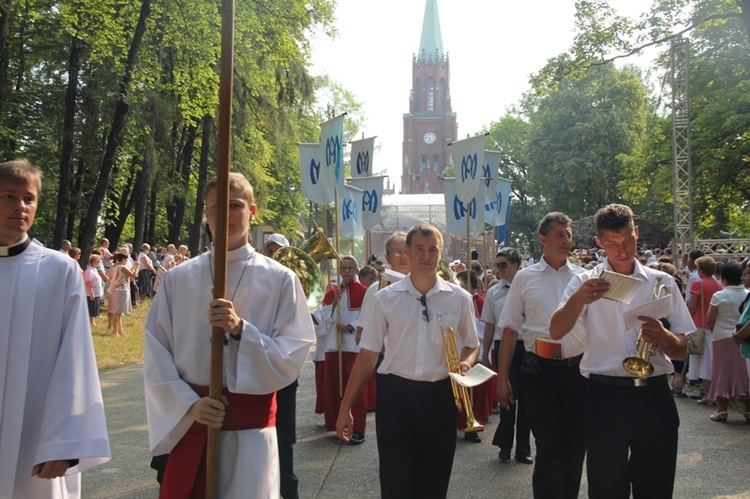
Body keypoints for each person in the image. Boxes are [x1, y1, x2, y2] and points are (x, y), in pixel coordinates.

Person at [144, 172, 314, 498]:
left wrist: (241, 330)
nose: (224, 216)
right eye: (214, 208)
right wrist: (190, 405)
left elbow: (292, 354)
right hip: (193, 422)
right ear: (206, 214)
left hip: (251, 434)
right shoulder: (178, 280)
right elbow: (156, 351)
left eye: (234, 206)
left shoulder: (281, 280)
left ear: (252, 211)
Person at [550, 204, 692, 498]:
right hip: (605, 395)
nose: (623, 251)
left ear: (636, 233)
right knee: (606, 487)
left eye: (628, 241)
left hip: (653, 395)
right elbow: (555, 331)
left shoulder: (662, 281)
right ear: (600, 244)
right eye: (613, 244)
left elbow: (681, 351)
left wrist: (664, 336)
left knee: (656, 486)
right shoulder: (582, 282)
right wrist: (578, 300)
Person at [336, 223, 479, 499]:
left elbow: (472, 345)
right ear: (408, 254)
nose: (426, 255)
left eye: (432, 249)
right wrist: (346, 406)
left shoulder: (460, 299)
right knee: (395, 482)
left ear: (441, 254)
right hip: (396, 398)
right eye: (419, 249)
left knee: (434, 483)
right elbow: (367, 355)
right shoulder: (384, 299)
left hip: (440, 397)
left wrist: (466, 363)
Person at [0, 159, 110, 498]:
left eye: (28, 198)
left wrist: (65, 442)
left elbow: (75, 358)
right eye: (9, 196)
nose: (20, 206)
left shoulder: (58, 270)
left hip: (35, 434)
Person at [495, 212, 586, 499]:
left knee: (574, 447)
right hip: (538, 373)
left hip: (578, 372)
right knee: (548, 447)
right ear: (542, 239)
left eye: (568, 234)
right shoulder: (524, 278)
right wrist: (502, 378)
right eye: (558, 234)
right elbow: (509, 330)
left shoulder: (585, 278)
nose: (565, 240)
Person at [481, 247, 531, 464]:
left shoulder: (528, 287)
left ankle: (523, 447)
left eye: (503, 265)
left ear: (516, 265)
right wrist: (485, 354)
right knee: (506, 396)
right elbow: (490, 326)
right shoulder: (494, 292)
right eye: (497, 265)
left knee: (527, 399)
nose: (499, 269)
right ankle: (505, 444)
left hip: (526, 346)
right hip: (503, 346)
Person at [263, 232, 301, 499]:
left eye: (279, 252)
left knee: (283, 440)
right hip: (255, 372)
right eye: (270, 251)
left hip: (284, 374)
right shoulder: (255, 278)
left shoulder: (293, 281)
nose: (274, 256)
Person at [320, 255, 369, 443]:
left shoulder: (365, 292)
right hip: (335, 345)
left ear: (357, 270)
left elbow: (368, 317)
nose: (346, 271)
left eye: (350, 268)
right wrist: (334, 302)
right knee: (334, 385)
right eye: (343, 268)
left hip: (354, 346)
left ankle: (357, 429)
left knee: (355, 388)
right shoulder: (333, 291)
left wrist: (349, 327)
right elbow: (325, 318)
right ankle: (337, 425)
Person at [706, 262, 750, 422]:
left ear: (723, 277)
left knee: (722, 372)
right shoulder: (747, 293)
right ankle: (748, 409)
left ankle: (722, 408)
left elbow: (710, 319)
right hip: (744, 339)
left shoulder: (719, 295)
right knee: (744, 373)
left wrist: (716, 330)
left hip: (721, 336)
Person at [687, 256, 722, 403]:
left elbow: (692, 305)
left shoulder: (698, 284)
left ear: (701, 270)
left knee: (703, 361)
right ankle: (712, 393)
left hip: (699, 325)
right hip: (714, 327)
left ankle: (708, 394)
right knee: (712, 360)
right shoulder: (719, 285)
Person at [108, 252, 135, 337]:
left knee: (120, 312)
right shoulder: (121, 267)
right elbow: (133, 275)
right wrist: (135, 266)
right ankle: (115, 331)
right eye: (126, 259)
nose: (126, 261)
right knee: (118, 311)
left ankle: (120, 330)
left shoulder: (117, 267)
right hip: (121, 290)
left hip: (121, 289)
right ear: (122, 259)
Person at [84, 254, 105, 327]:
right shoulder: (89, 271)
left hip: (97, 292)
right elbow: (88, 282)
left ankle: (92, 320)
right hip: (91, 292)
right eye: (98, 261)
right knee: (91, 307)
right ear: (93, 261)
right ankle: (90, 321)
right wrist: (91, 293)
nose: (99, 263)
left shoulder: (94, 269)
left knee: (94, 307)